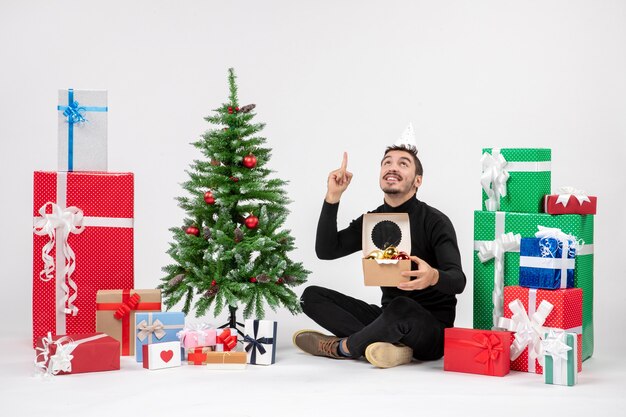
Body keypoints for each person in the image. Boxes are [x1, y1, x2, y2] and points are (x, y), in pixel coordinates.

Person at [293, 141, 466, 368]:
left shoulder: (435, 221)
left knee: (401, 306)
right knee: (311, 296)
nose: (392, 167)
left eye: (403, 164)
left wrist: (433, 276)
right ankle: (391, 348)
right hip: (388, 319)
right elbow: (326, 250)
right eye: (387, 163)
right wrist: (332, 196)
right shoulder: (372, 221)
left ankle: (343, 348)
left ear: (417, 181)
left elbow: (458, 281)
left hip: (431, 330)